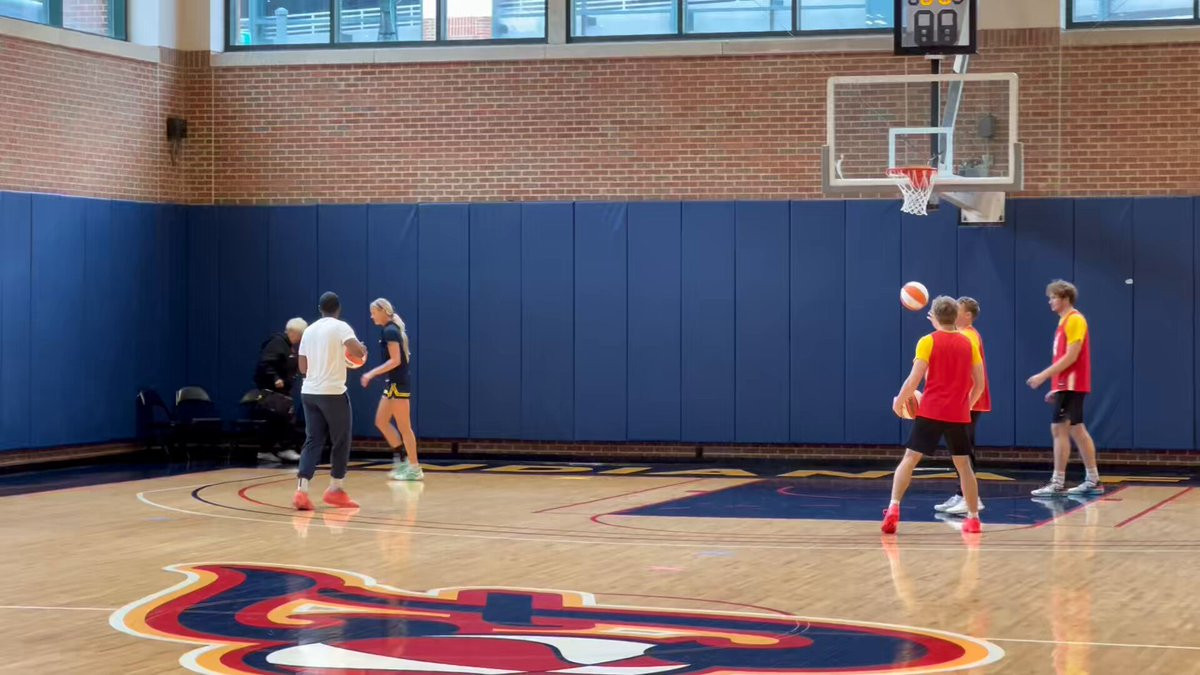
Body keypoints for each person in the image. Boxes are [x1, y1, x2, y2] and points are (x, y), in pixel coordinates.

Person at [884, 296, 986, 535]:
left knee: (910, 459)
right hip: (958, 413)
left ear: (935, 317)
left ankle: (893, 509)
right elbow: (980, 384)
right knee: (964, 466)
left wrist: (899, 401)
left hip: (931, 409)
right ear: (955, 316)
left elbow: (914, 379)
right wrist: (966, 405)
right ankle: (973, 519)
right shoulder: (968, 343)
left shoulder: (927, 341)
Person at [1026, 280, 1103, 497]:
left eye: (1053, 297)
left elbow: (1072, 356)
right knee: (1076, 429)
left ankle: (1058, 482)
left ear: (1065, 298)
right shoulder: (1064, 322)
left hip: (1071, 383)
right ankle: (1093, 479)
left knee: (1059, 429)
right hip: (1067, 384)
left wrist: (1043, 376)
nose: (1050, 301)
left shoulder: (1075, 319)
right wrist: (1056, 387)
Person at [294, 292, 367, 511]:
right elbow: (357, 351)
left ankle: (301, 491)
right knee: (341, 440)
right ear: (338, 308)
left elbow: (302, 367)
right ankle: (335, 489)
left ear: (320, 309)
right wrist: (361, 350)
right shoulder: (341, 327)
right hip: (332, 393)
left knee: (312, 440)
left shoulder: (308, 330)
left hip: (309, 392)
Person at [933, 297, 989, 516]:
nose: (954, 312)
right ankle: (962, 494)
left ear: (968, 315)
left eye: (959, 309)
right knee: (959, 451)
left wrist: (938, 327)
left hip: (969, 401)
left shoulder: (968, 335)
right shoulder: (964, 334)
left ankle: (971, 498)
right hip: (964, 401)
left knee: (964, 451)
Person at [360, 298, 423, 481]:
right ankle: (403, 461)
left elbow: (395, 361)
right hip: (392, 384)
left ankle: (415, 468)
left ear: (382, 311)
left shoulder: (390, 331)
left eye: (373, 313)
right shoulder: (389, 330)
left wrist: (371, 373)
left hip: (398, 384)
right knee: (381, 421)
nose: (371, 316)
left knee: (405, 427)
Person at [253, 318, 307, 462]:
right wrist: (275, 378)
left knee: (283, 418)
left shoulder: (288, 346)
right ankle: (275, 449)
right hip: (272, 391)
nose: (301, 338)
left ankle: (279, 449)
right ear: (294, 332)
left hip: (282, 391)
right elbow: (265, 362)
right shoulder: (277, 343)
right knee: (279, 419)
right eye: (301, 335)